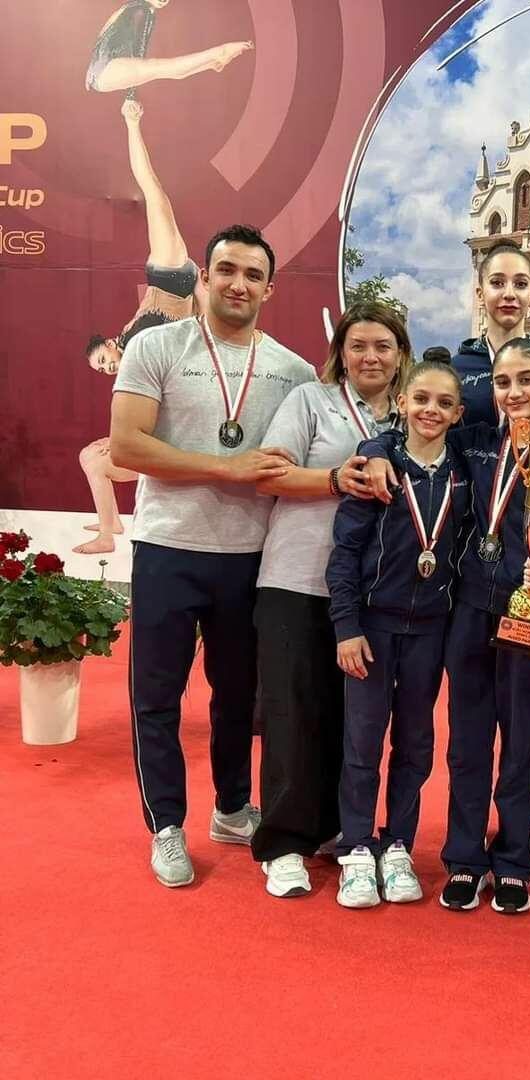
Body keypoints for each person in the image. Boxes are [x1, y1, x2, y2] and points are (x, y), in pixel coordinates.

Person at [110, 224, 316, 889]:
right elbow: (127, 446)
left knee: (238, 697)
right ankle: (166, 825)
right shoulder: (157, 346)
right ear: (204, 277)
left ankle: (230, 808)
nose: (238, 284)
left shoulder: (294, 371)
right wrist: (226, 468)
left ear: (270, 289)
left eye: (253, 275)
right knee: (157, 696)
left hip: (251, 556)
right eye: (226, 270)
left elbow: (301, 464)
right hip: (168, 546)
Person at [362, 339, 530, 915]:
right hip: (468, 611)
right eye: (502, 382)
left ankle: (513, 860)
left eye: (526, 380)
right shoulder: (475, 443)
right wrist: (374, 448)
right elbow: (413, 437)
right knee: (466, 742)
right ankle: (464, 857)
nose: (514, 393)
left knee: (522, 743)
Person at [247, 302, 408, 899]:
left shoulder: (410, 415)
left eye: (383, 346)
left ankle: (340, 829)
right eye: (358, 345)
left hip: (372, 597)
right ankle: (283, 843)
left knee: (352, 721)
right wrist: (336, 479)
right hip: (296, 580)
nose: (371, 357)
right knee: (293, 712)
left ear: (401, 355)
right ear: (340, 352)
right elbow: (269, 474)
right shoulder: (310, 401)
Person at [326, 362, 469, 908]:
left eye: (444, 403)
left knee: (416, 743)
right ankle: (357, 848)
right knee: (363, 742)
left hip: (431, 632)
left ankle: (399, 844)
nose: (431, 410)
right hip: (373, 628)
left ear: (458, 413)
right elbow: (344, 553)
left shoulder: (463, 472)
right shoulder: (377, 469)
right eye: (421, 399)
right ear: (402, 402)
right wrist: (346, 627)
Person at [78, 99, 205, 555]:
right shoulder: (136, 346)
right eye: (101, 370)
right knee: (91, 458)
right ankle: (109, 528)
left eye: (102, 360)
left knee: (152, 189)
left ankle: (131, 123)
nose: (106, 368)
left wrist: (132, 121)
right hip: (176, 282)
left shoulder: (134, 339)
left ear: (109, 344)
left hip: (168, 273)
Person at [452, 242, 530, 426]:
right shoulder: (456, 369)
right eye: (497, 283)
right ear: (480, 294)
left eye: (520, 284)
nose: (509, 294)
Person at [86, 1, 251, 95]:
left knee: (170, 72)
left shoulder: (134, 6)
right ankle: (218, 53)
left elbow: (104, 36)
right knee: (163, 68)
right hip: (106, 68)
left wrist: (92, 69)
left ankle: (212, 63)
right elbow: (139, 49)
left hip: (101, 70)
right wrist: (131, 95)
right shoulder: (143, 11)